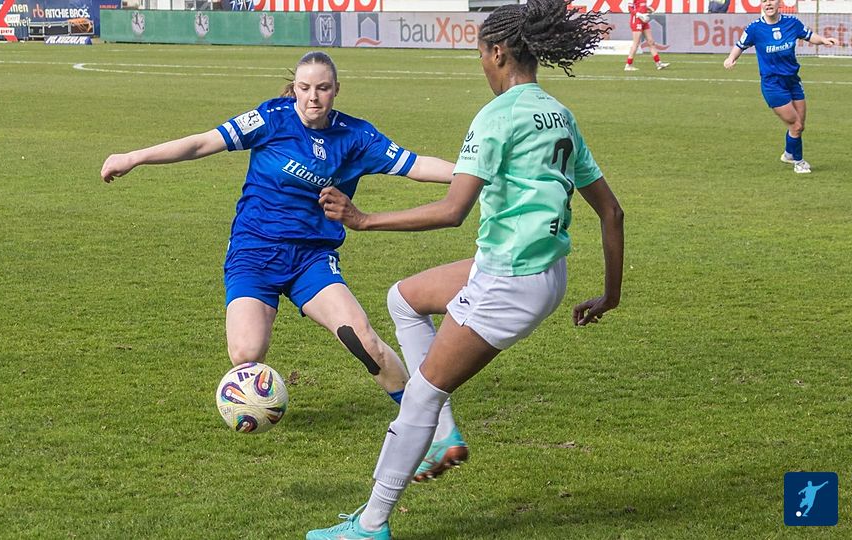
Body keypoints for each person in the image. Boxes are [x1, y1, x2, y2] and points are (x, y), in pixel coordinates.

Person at [306, 1, 624, 538]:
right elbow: (612, 212)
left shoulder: (495, 117)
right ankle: (444, 433)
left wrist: (364, 220)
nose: (480, 63)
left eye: (479, 53)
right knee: (403, 298)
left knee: (421, 396)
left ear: (497, 52)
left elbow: (453, 209)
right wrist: (610, 296)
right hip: (545, 270)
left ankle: (372, 523)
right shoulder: (559, 114)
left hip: (509, 280)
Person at [100, 51, 455, 408]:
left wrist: (471, 174)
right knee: (245, 353)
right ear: (295, 88)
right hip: (254, 252)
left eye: (322, 88)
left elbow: (417, 165)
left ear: (336, 90)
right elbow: (202, 142)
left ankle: (422, 418)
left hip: (310, 258)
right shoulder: (271, 118)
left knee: (364, 341)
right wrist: (133, 157)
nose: (313, 97)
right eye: (304, 87)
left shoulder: (356, 136)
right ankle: (259, 404)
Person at [723, 0, 838, 174]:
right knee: (796, 125)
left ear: (779, 3)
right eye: (764, 1)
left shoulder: (792, 23)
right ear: (761, 5)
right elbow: (740, 45)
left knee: (800, 125)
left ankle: (789, 154)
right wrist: (731, 58)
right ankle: (799, 162)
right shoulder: (755, 28)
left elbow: (808, 35)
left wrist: (823, 40)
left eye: (771, 0)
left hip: (793, 81)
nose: (768, 3)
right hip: (773, 84)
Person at [624, 0, 669, 71]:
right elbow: (630, 9)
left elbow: (640, 6)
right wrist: (639, 14)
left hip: (644, 20)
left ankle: (658, 63)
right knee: (636, 43)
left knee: (651, 42)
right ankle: (628, 65)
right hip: (636, 21)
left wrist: (648, 9)